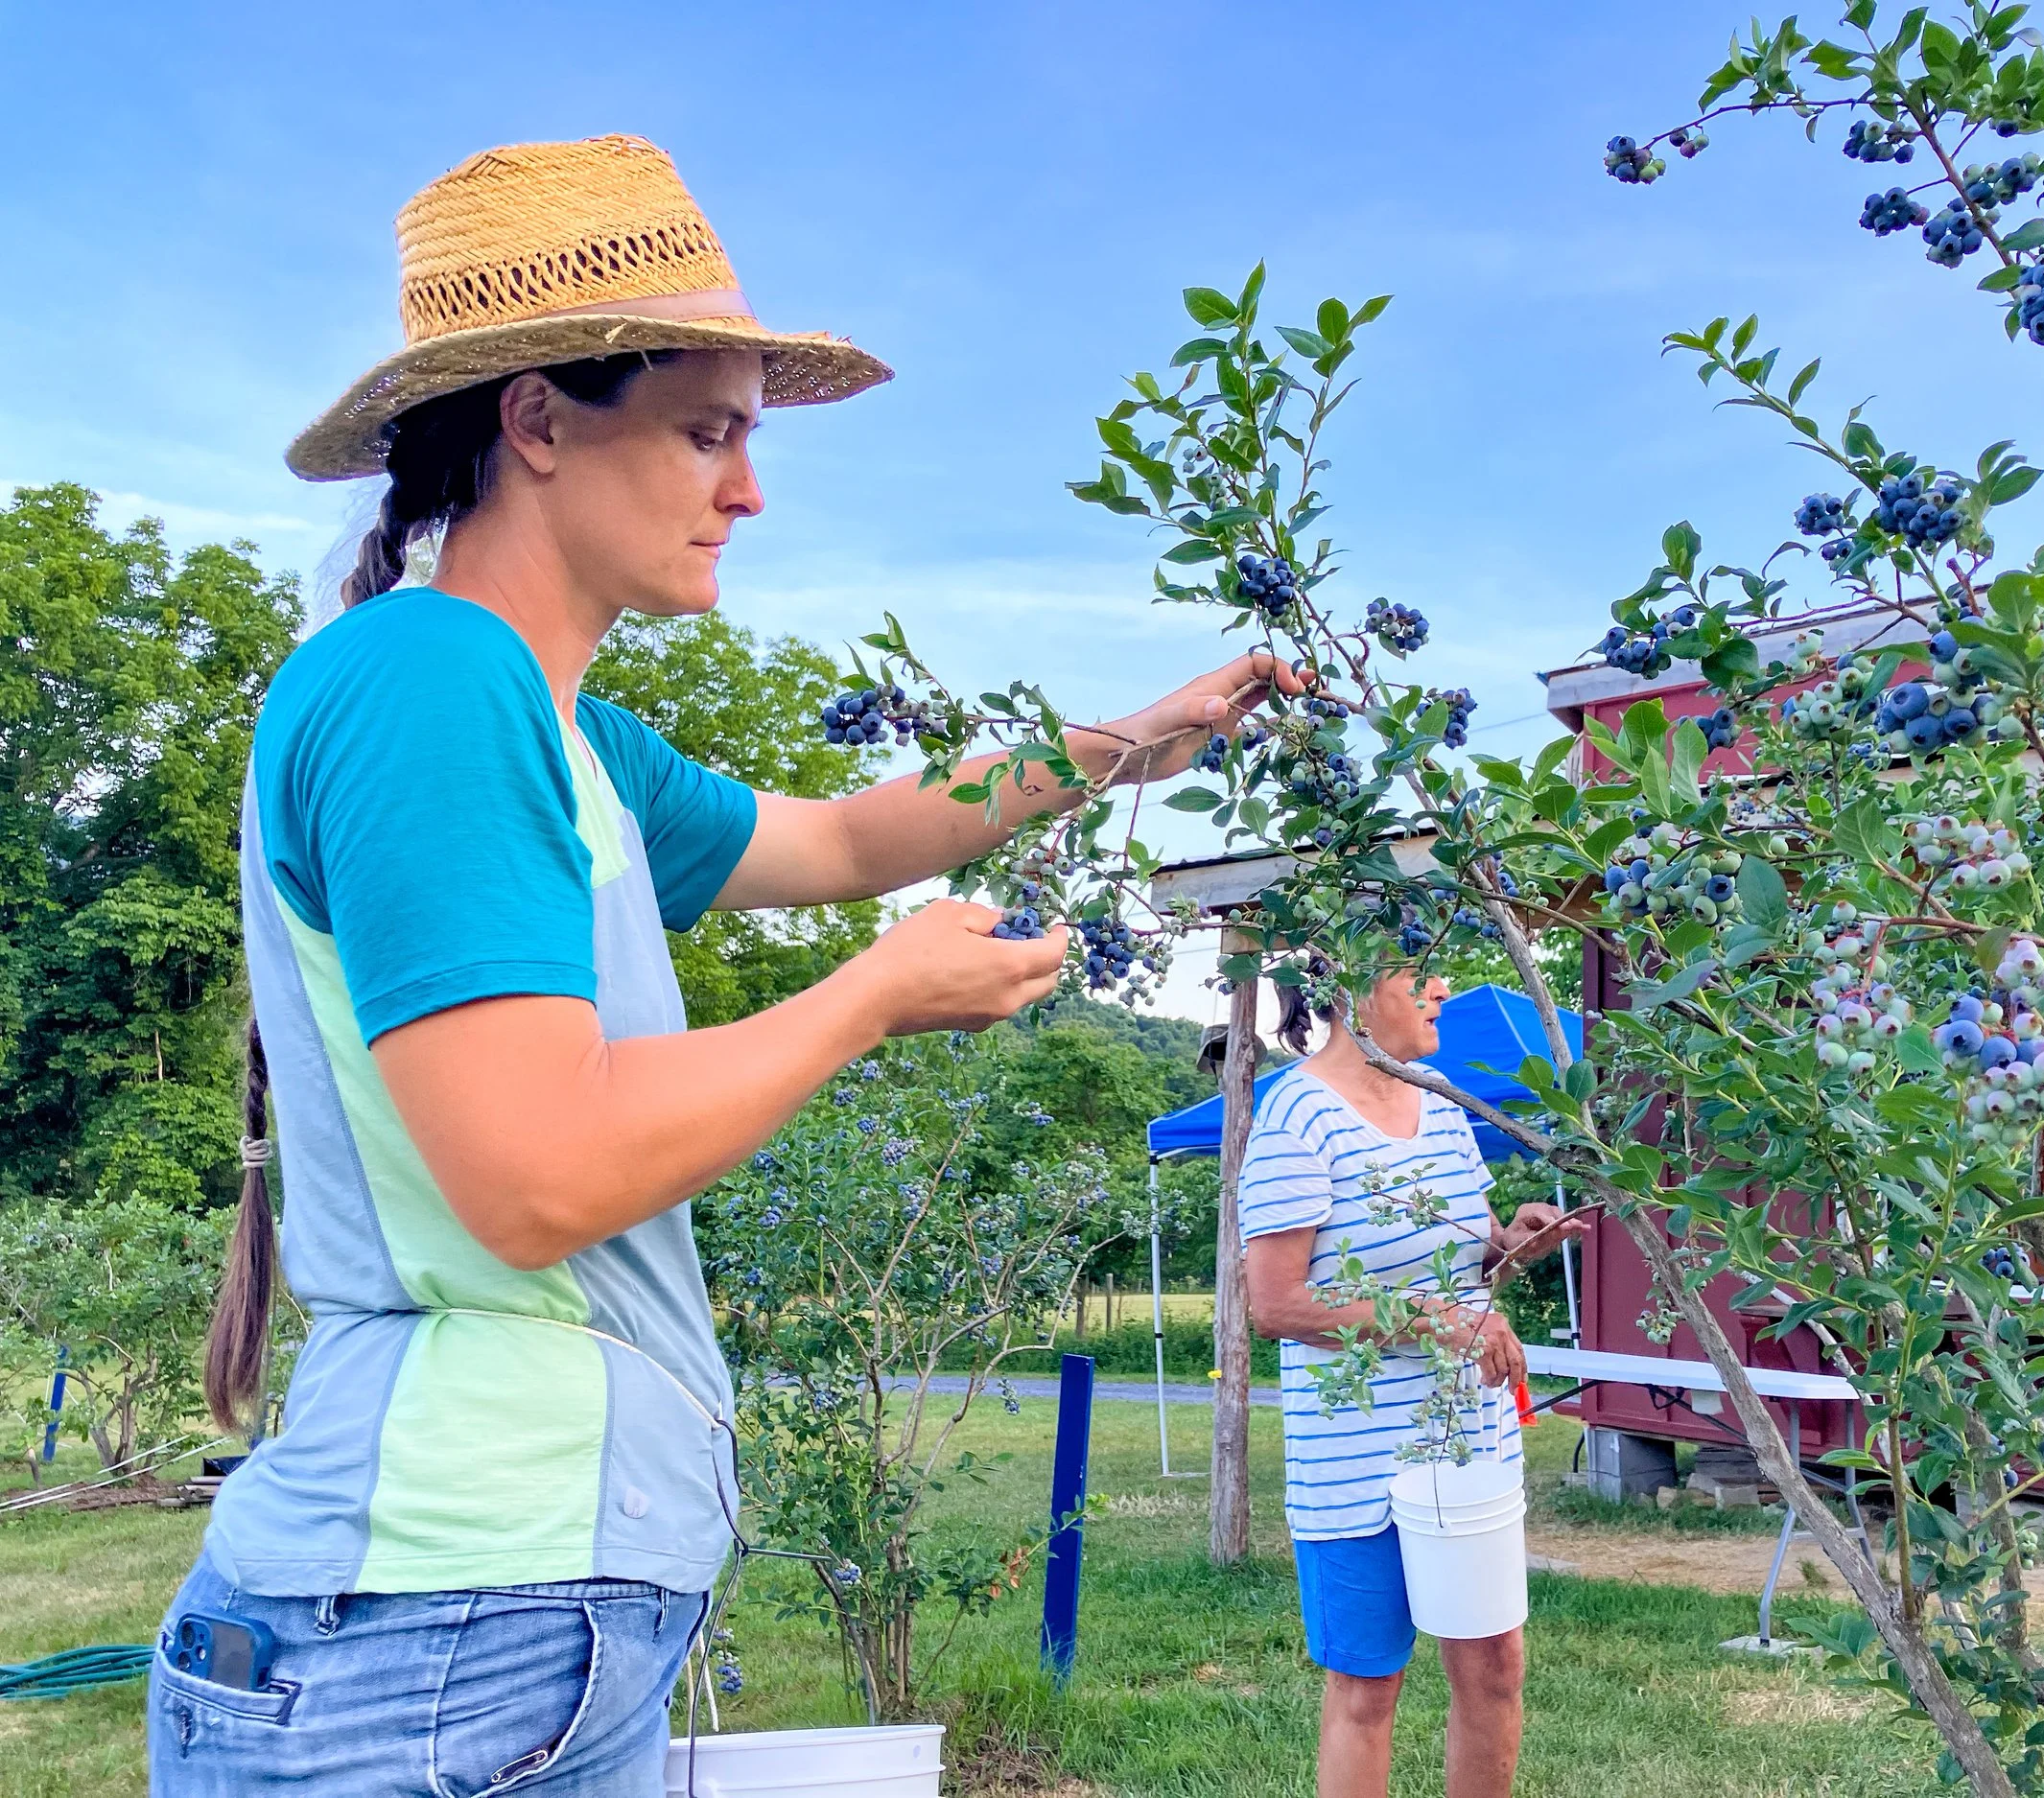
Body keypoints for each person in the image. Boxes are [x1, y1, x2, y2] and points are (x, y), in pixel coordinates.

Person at [150, 134, 1297, 1796]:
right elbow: (539, 1176)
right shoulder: (432, 684)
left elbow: (843, 840)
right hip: (436, 1626)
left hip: (481, 1623)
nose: (748, 491)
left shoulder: (562, 735)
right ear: (536, 418)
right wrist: (871, 999)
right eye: (709, 432)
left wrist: (1134, 739)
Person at [1240, 966, 1586, 1798]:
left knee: (1495, 1666)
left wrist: (1513, 1241)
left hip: (1466, 1444)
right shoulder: (1295, 1116)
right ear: (1351, 985)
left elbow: (1471, 1253)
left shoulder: (1437, 1095)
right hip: (1354, 1463)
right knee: (1368, 1687)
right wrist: (1434, 1318)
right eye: (1419, 974)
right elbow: (1276, 1302)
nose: (1441, 989)